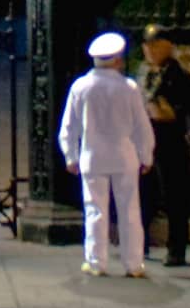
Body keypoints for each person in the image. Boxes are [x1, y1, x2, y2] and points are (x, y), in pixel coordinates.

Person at [59, 30, 156, 277]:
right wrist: (146, 156)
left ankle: (95, 262)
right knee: (129, 211)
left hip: (92, 157)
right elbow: (141, 126)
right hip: (125, 157)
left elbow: (68, 126)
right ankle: (134, 263)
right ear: (116, 60)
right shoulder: (129, 88)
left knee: (95, 210)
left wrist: (70, 155)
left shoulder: (80, 87)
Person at [140, 22, 190, 266]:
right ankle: (140, 244)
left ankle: (176, 249)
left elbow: (174, 113)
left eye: (156, 44)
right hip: (148, 142)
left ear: (168, 46)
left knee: (174, 198)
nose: (150, 50)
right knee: (146, 194)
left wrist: (154, 105)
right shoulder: (147, 74)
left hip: (170, 142)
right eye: (147, 45)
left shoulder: (178, 76)